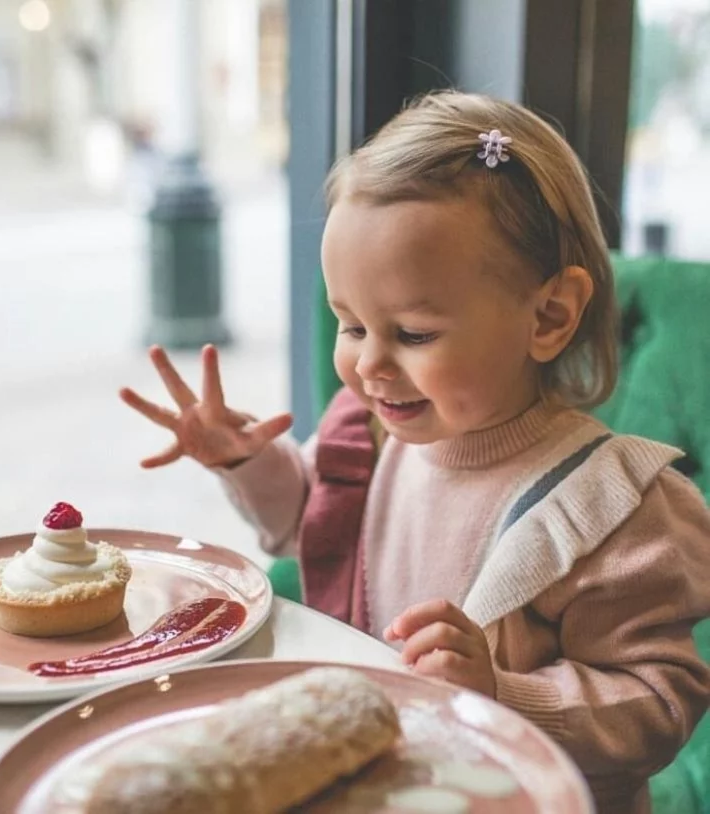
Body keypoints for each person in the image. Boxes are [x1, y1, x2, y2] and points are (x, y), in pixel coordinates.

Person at [119, 91, 710, 813]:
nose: (369, 366)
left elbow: (658, 703)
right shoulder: (372, 433)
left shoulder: (615, 505)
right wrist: (245, 461)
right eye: (351, 325)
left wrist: (502, 692)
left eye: (415, 333)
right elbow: (307, 525)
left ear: (549, 316)